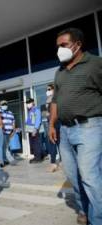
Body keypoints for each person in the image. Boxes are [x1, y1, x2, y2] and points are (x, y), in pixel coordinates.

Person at [49, 28, 102, 225]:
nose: (59, 50)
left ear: (77, 44)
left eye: (63, 45)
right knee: (73, 176)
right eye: (58, 47)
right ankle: (83, 209)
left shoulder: (95, 64)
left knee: (90, 176)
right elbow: (55, 100)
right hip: (64, 130)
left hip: (90, 127)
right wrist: (51, 124)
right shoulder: (60, 72)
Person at [44, 84, 59, 172]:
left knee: (59, 142)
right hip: (51, 123)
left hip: (57, 123)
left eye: (49, 89)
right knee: (52, 142)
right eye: (47, 89)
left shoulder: (56, 98)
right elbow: (45, 113)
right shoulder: (47, 100)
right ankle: (53, 162)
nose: (47, 91)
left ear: (53, 89)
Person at [26, 98, 43, 164]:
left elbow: (38, 120)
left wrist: (35, 129)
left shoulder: (36, 110)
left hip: (35, 131)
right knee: (33, 144)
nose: (28, 104)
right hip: (30, 130)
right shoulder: (30, 111)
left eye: (29, 102)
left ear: (33, 102)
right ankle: (36, 156)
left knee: (36, 144)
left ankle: (38, 158)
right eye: (27, 103)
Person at [0, 100, 15, 165]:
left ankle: (8, 159)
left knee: (9, 146)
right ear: (0, 105)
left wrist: (13, 130)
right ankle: (5, 159)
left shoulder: (10, 112)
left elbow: (13, 121)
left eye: (5, 104)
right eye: (3, 104)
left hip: (10, 132)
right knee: (4, 146)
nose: (4, 105)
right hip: (3, 132)